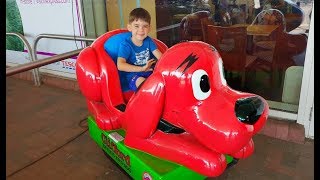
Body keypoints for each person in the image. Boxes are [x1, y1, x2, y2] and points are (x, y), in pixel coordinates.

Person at [117, 7, 162, 92]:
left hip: (150, 72)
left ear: (149, 28)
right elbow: (120, 65)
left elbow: (161, 57)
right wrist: (142, 69)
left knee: (162, 83)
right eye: (136, 26)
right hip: (134, 76)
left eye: (145, 26)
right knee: (146, 86)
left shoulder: (149, 41)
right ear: (129, 27)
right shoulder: (126, 45)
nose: (141, 30)